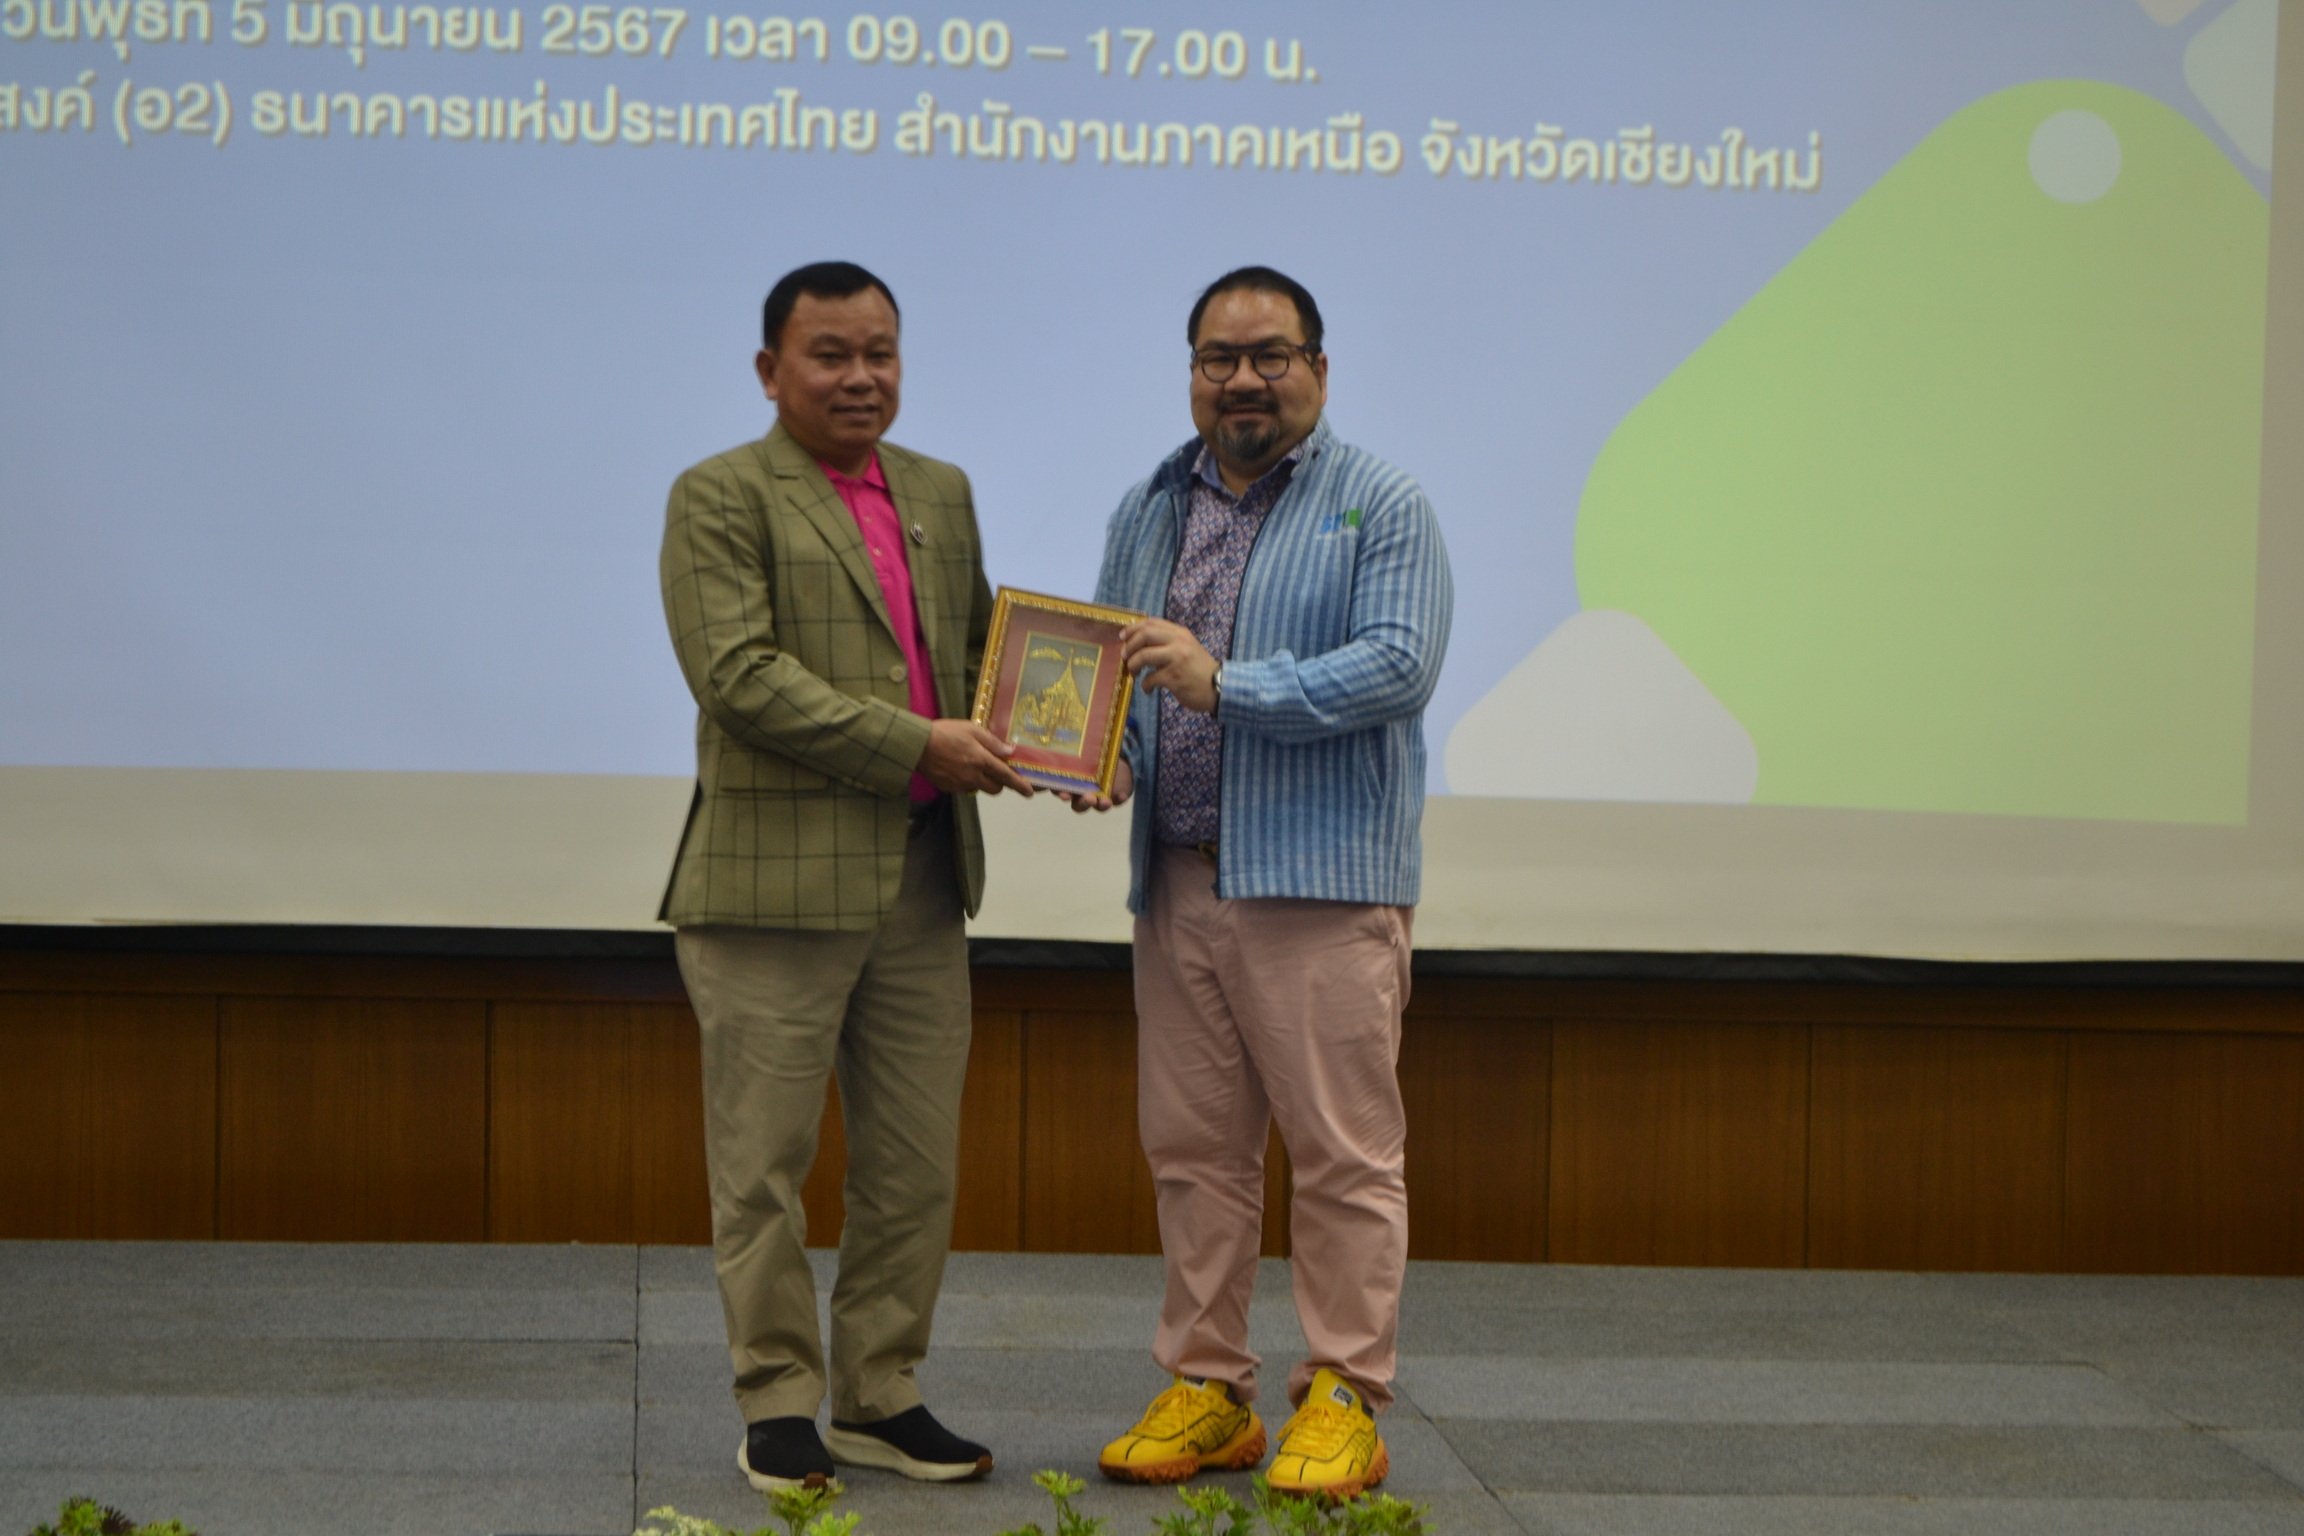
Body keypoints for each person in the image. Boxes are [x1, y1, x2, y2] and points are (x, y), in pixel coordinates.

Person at [1070, 265, 1453, 1500]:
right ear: (1192, 375)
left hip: (1320, 888)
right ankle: (1209, 1386)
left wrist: (1224, 683)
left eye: (1270, 356)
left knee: (1342, 1156)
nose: (1243, 380)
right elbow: (1125, 677)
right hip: (1179, 881)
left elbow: (1396, 666)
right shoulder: (1150, 506)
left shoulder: (1382, 503)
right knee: (1194, 1153)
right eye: (1218, 359)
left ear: (1318, 371)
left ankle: (1345, 1394)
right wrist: (1106, 758)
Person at [659, 260, 1034, 1495]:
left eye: (881, 352)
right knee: (763, 1166)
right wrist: (921, 744)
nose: (861, 376)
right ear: (771, 370)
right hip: (771, 890)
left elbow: (982, 654)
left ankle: (881, 1393)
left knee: (915, 1166)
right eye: (831, 354)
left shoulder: (939, 490)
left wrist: (1071, 738)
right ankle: (778, 1400)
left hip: (922, 880)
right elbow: (741, 678)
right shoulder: (720, 494)